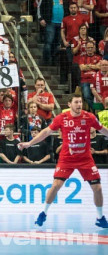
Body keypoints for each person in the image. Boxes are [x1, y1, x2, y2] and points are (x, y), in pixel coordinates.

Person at [19, 94, 108, 228]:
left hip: (85, 158)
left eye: (80, 102)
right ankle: (43, 213)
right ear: (69, 104)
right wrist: (29, 143)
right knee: (56, 185)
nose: (79, 105)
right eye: (76, 102)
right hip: (67, 158)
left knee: (98, 188)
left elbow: (102, 129)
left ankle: (100, 217)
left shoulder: (89, 117)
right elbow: (46, 132)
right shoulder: (62, 118)